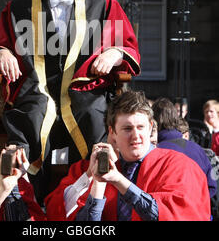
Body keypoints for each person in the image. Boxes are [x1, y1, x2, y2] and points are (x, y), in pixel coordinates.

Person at [0, 0, 140, 201]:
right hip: (35, 92)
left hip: (84, 93)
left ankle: (90, 201)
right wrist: (2, 52)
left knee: (94, 116)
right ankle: (23, 202)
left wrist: (115, 53)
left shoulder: (104, 6)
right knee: (31, 118)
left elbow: (128, 46)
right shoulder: (19, 7)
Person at [44, 90, 211, 221]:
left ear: (151, 127)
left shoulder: (179, 165)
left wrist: (118, 180)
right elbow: (59, 213)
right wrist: (93, 179)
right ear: (112, 132)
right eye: (127, 129)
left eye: (140, 127)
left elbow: (169, 215)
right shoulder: (91, 168)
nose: (136, 136)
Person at [152, 97, 217, 201]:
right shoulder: (197, 149)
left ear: (153, 122)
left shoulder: (154, 151)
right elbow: (212, 186)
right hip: (199, 212)